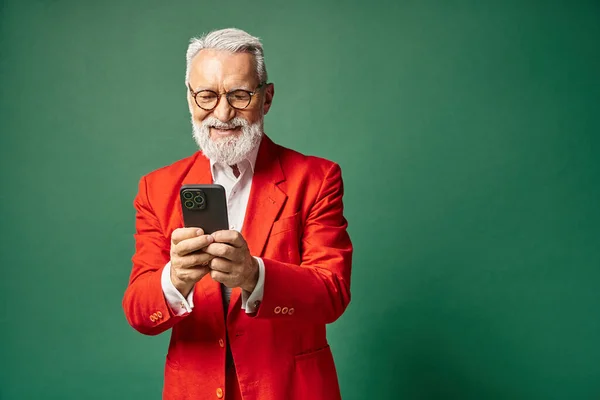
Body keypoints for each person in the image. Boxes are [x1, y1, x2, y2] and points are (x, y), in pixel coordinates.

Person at [122, 28, 353, 400]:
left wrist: (254, 274)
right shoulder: (156, 188)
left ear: (267, 98)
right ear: (190, 99)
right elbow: (138, 311)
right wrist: (174, 279)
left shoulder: (317, 178)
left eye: (240, 95)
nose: (223, 112)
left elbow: (333, 293)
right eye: (207, 96)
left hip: (291, 389)